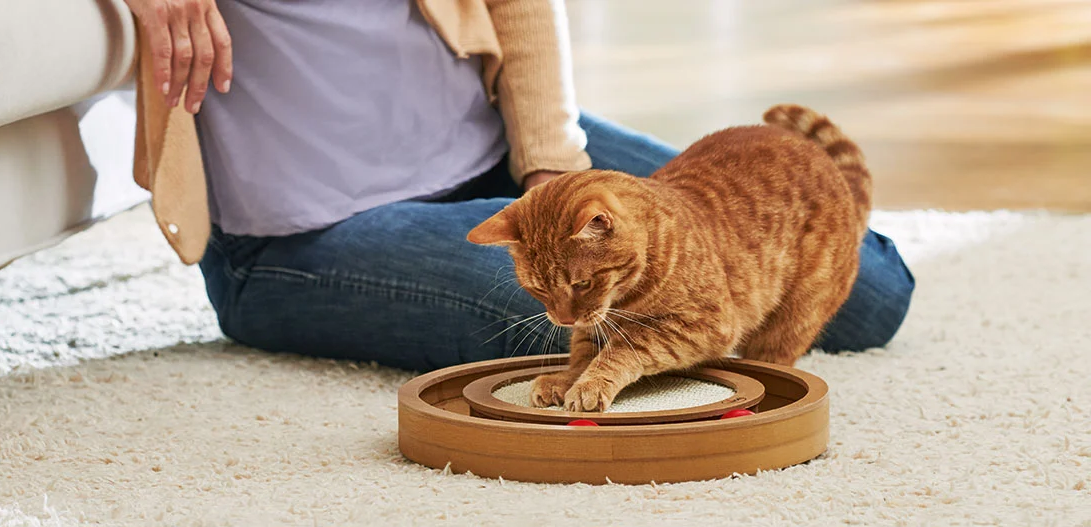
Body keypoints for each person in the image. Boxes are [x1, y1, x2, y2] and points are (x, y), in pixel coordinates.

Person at [122, 0, 915, 372]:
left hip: (497, 145)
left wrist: (551, 176)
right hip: (311, 225)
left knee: (872, 288)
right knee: (595, 326)